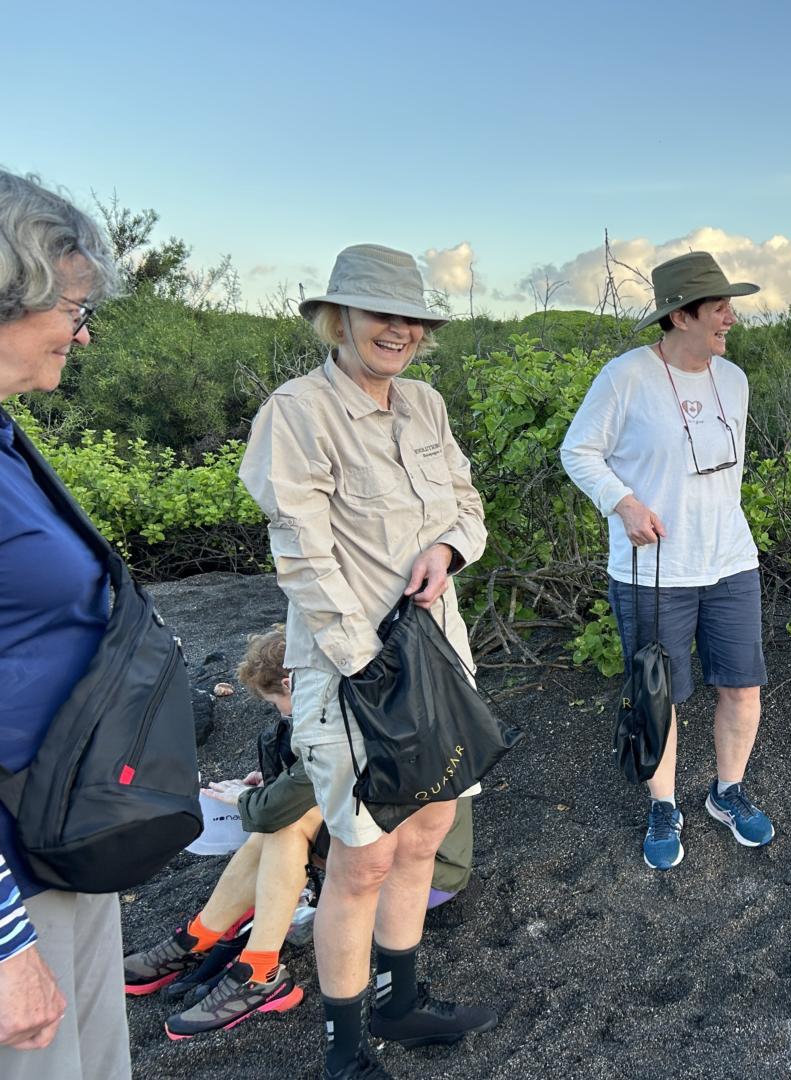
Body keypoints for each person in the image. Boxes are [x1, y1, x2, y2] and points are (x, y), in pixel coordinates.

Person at [239, 244, 495, 1080]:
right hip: (351, 674)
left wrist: (451, 550)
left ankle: (400, 999)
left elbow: (466, 503)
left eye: (411, 318)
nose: (399, 330)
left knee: (424, 829)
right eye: (380, 313)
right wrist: (364, 661)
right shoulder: (297, 411)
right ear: (337, 318)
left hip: (437, 656)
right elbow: (303, 557)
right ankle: (344, 1048)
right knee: (361, 855)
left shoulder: (425, 405)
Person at [123, 627, 475, 1040]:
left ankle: (245, 963)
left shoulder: (336, 713)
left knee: (286, 825)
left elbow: (277, 808)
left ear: (293, 682)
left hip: (423, 877)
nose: (283, 715)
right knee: (285, 820)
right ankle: (203, 939)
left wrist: (244, 799)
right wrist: (276, 786)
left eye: (278, 705)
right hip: (401, 850)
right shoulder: (367, 692)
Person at [561, 251, 775, 872]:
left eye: (729, 307)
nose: (730, 319)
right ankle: (665, 805)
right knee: (662, 694)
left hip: (731, 561)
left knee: (743, 687)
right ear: (681, 316)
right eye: (719, 308)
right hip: (652, 569)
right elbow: (579, 452)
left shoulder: (732, 380)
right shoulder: (626, 377)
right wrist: (623, 503)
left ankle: (726, 793)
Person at [0, 170, 128, 1079]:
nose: (82, 333)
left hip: (60, 841)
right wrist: (4, 944)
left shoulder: (7, 436)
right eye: (75, 308)